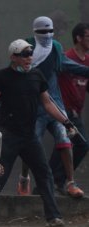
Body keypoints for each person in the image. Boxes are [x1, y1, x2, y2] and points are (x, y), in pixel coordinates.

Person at [0, 39, 74, 227]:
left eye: (30, 54)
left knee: (44, 173)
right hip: (8, 135)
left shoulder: (37, 76)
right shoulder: (2, 76)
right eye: (24, 55)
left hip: (29, 136)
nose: (29, 58)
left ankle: (53, 216)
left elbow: (47, 103)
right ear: (13, 57)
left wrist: (66, 122)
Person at [18, 16, 89, 197]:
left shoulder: (56, 48)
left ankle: (69, 183)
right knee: (31, 143)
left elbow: (69, 65)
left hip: (55, 105)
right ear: (34, 31)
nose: (46, 35)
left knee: (65, 142)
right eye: (42, 32)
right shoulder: (26, 46)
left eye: (50, 31)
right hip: (35, 107)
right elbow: (17, 71)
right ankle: (24, 178)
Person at [52, 22, 89, 191]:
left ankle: (49, 182)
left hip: (76, 110)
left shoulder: (88, 61)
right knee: (81, 144)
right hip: (64, 110)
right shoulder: (66, 57)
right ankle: (60, 180)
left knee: (63, 145)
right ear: (78, 38)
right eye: (88, 36)